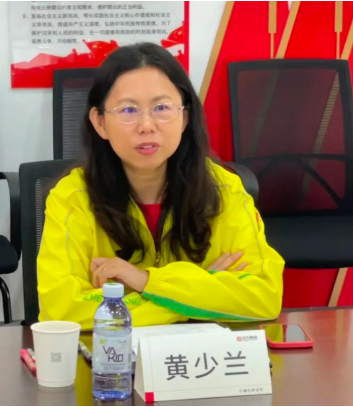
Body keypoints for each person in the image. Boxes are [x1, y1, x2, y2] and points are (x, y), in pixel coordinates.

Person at [37, 42, 284, 330]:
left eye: (162, 108)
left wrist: (144, 282)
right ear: (100, 122)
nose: (146, 125)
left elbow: (264, 297)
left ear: (184, 118)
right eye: (128, 110)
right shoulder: (72, 198)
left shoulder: (225, 190)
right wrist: (198, 296)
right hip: (112, 356)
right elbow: (63, 311)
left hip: (200, 356)